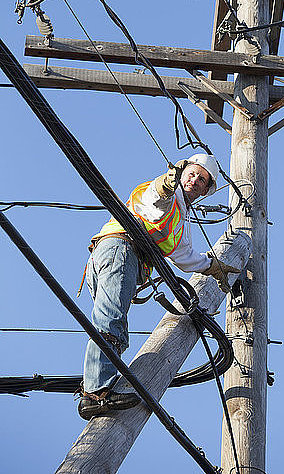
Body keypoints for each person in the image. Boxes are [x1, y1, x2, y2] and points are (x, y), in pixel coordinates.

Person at [78, 154, 239, 420]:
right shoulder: (168, 196)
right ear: (182, 172)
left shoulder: (182, 218)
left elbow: (186, 256)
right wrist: (166, 182)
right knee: (110, 322)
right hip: (121, 252)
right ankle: (96, 393)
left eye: (202, 179)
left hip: (118, 260)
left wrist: (214, 267)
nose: (195, 180)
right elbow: (154, 198)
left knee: (113, 325)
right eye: (192, 173)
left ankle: (98, 385)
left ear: (206, 190)